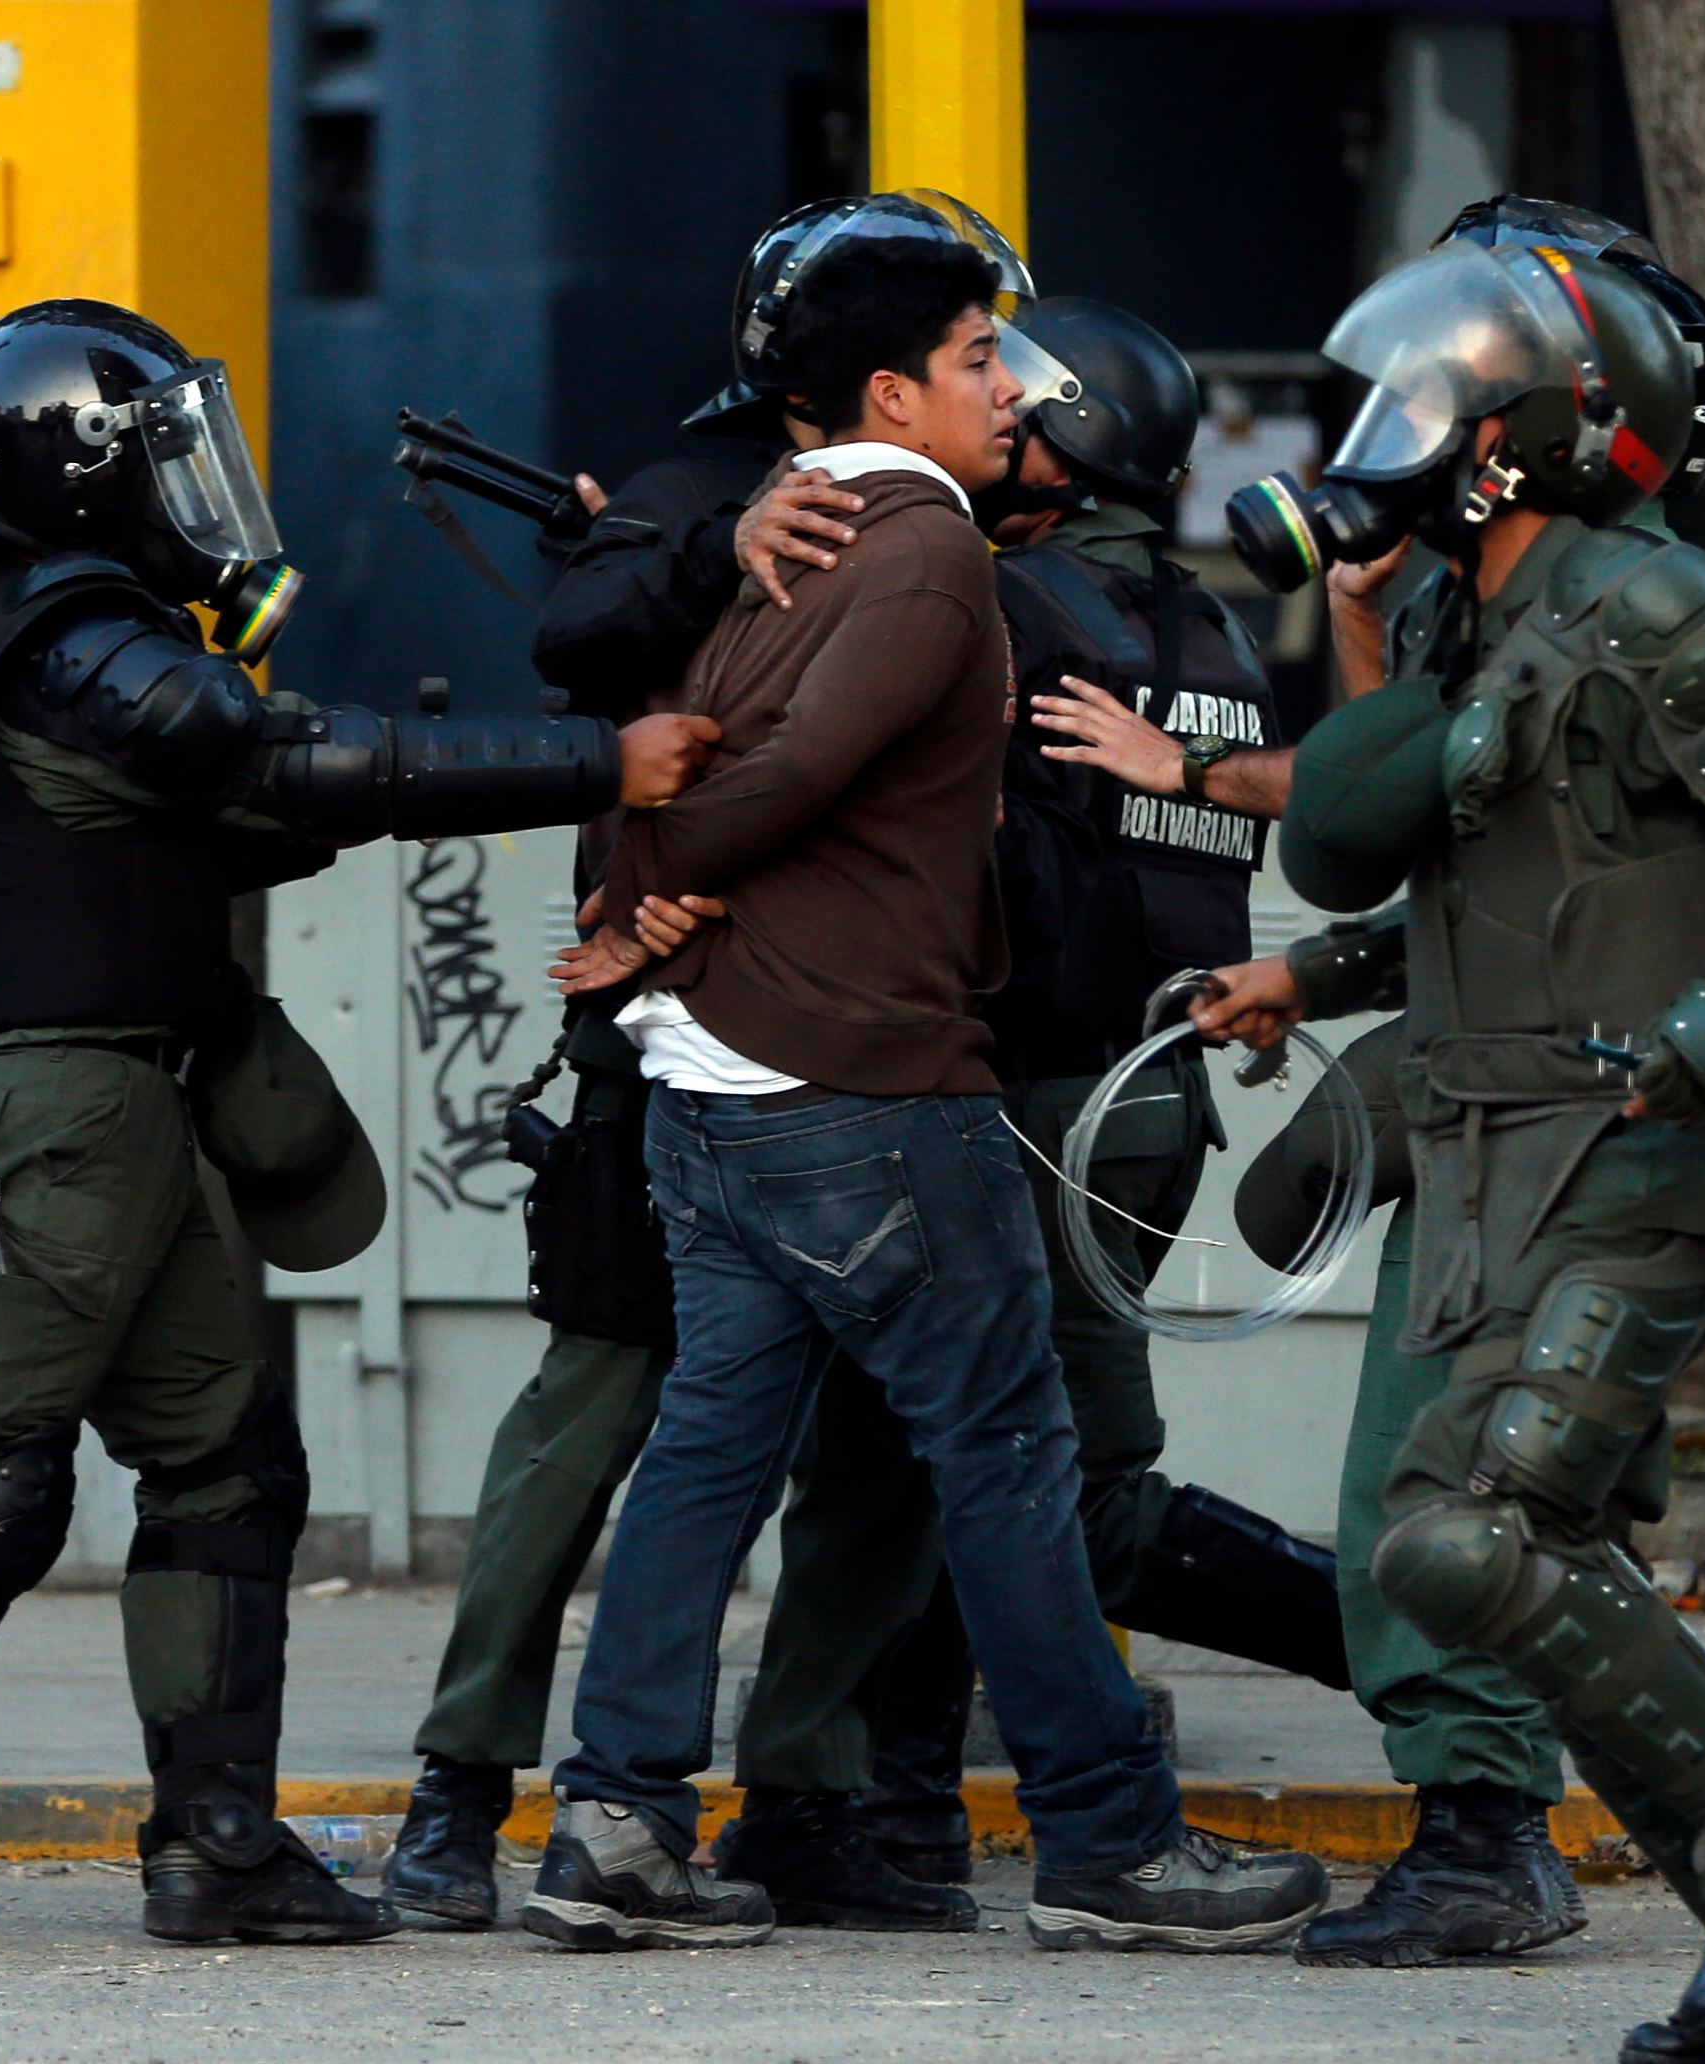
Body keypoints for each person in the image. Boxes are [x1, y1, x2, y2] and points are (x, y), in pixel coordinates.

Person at [0, 299, 716, 1957]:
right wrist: (602, 758)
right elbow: (269, 757)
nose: (199, 480)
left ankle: (220, 1846)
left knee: (228, 1466)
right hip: (48, 1114)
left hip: (124, 1100)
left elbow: (200, 815)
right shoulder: (60, 633)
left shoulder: (18, 615)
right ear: (93, 475)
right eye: (165, 446)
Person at [526, 233, 1328, 1955]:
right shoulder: (923, 549)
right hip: (867, 1086)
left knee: (709, 1458)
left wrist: (638, 889)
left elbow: (668, 738)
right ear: (893, 393)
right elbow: (780, 775)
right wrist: (660, 862)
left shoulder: (788, 535)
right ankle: (1112, 1844)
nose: (1011, 387)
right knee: (1016, 1458)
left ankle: (616, 1824)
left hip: (721, 1085)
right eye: (979, 357)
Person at [1189, 238, 1705, 2062]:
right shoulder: (1462, 625)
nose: (1385, 442)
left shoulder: (1661, 606)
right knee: (1468, 1543)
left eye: (1420, 407)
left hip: (1645, 1159)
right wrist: (1308, 967)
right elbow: (1474, 891)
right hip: (1490, 1148)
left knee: (1468, 1531)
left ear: (1507, 436)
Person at [381, 195, 1027, 1938]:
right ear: (867, 369)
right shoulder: (703, 493)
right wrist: (705, 546)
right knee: (603, 1413)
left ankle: (789, 1795)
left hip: (849, 1040)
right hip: (671, 1044)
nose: (1005, 382)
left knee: (869, 1458)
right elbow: (580, 650)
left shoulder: (943, 519)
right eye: (969, 348)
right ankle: (463, 1791)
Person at [712, 296, 1363, 1925]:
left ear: (1061, 443)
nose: (990, 411)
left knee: (1062, 1480)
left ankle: (1418, 1645)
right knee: (934, 1459)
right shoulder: (1200, 632)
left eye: (1014, 395)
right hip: (1149, 1108)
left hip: (1016, 1097)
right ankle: (897, 1810)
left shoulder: (993, 600)